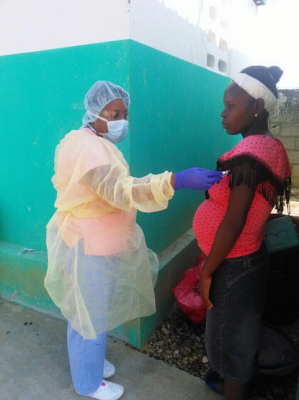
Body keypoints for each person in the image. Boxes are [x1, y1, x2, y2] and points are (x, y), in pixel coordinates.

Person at [44, 81, 222, 400]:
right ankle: (88, 383)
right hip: (91, 245)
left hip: (94, 241)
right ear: (94, 111)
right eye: (114, 113)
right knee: (90, 319)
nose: (121, 121)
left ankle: (91, 364)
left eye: (124, 114)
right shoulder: (89, 149)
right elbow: (122, 191)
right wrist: (174, 181)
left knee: (89, 312)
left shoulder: (87, 139)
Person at [193, 66, 291, 400]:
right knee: (239, 334)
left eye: (231, 105)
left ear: (257, 107)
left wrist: (207, 273)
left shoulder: (250, 154)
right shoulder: (268, 145)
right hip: (247, 260)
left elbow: (234, 222)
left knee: (230, 341)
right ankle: (235, 384)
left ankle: (234, 389)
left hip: (234, 264)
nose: (223, 112)